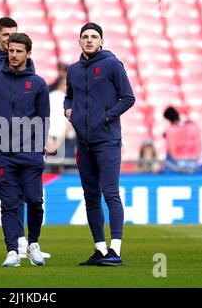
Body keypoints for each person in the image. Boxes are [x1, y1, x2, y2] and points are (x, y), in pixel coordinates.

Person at [0, 17, 50, 260]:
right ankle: (10, 249)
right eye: (10, 46)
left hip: (29, 152)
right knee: (4, 200)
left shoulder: (37, 82)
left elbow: (42, 118)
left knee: (34, 200)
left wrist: (40, 149)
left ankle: (31, 243)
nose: (12, 52)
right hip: (2, 149)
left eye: (18, 50)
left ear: (27, 53)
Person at [64, 22, 135, 266]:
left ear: (102, 41)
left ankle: (115, 250)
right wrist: (68, 110)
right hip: (83, 143)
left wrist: (106, 116)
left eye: (94, 36)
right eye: (85, 36)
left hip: (107, 141)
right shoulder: (73, 70)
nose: (90, 40)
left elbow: (128, 98)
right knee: (90, 197)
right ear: (79, 41)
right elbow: (68, 96)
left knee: (110, 193)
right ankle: (100, 249)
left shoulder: (112, 64)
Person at [163, 106, 202, 174]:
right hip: (193, 159)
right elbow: (198, 143)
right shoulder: (192, 126)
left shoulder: (170, 131)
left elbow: (170, 148)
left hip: (177, 161)